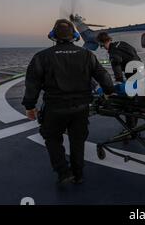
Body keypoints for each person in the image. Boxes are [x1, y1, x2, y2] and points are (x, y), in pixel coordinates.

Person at [22, 19, 114, 185]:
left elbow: (32, 83)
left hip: (54, 108)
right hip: (81, 108)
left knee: (52, 138)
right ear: (76, 36)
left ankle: (63, 172)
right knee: (77, 141)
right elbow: (104, 77)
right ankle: (78, 174)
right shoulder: (87, 55)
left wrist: (30, 106)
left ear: (53, 36)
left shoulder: (41, 57)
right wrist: (108, 92)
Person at [96, 31, 141, 128]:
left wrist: (118, 84)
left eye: (102, 46)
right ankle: (133, 126)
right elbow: (134, 53)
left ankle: (131, 129)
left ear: (102, 43)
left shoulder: (113, 52)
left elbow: (117, 69)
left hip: (132, 76)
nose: (103, 48)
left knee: (128, 103)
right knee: (135, 100)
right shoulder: (123, 43)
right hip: (141, 73)